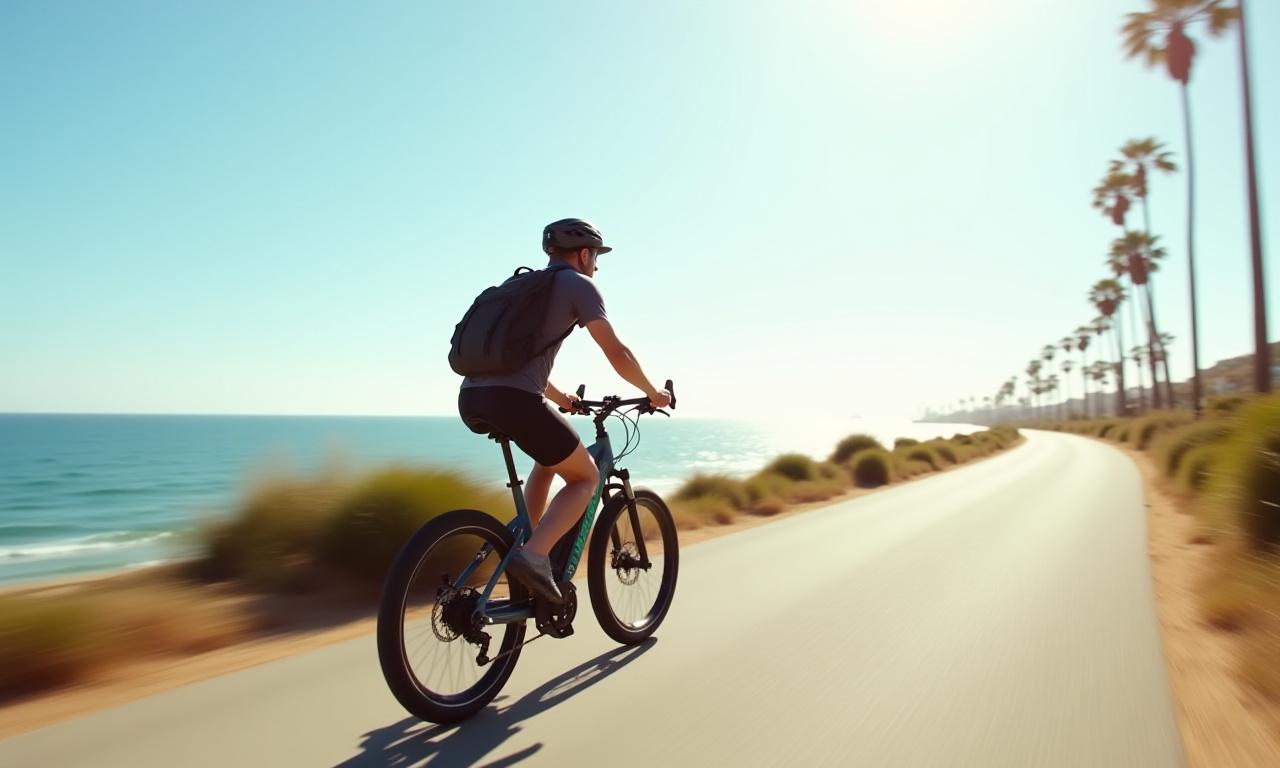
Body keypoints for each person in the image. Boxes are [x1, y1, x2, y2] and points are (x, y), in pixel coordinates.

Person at [457, 218, 671, 604]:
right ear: (585, 253)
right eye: (597, 258)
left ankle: (528, 539)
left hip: (472, 396)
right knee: (585, 478)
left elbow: (518, 361)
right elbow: (617, 352)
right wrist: (652, 392)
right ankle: (535, 557)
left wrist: (558, 397)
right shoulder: (579, 285)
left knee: (549, 460)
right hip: (515, 401)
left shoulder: (521, 286)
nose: (597, 266)